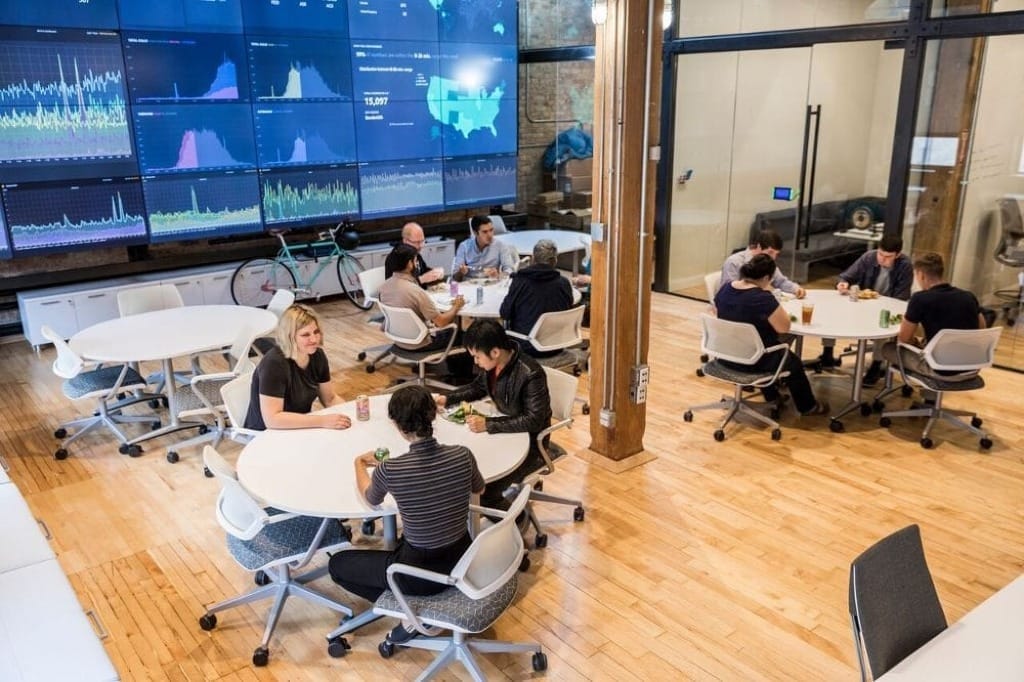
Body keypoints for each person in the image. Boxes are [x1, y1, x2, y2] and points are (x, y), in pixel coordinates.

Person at [328, 385, 484, 644]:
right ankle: (416, 606)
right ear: (433, 415)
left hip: (417, 572)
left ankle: (410, 611)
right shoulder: (463, 455)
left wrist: (359, 463)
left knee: (337, 564)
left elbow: (371, 499)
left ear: (397, 425)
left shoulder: (391, 469)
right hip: (463, 559)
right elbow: (479, 489)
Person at [436, 319, 552, 509]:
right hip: (505, 433)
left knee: (483, 491)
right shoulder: (494, 365)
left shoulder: (530, 373)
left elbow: (534, 420)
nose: (475, 362)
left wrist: (488, 424)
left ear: (495, 352)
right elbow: (477, 388)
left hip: (530, 445)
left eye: (477, 357)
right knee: (463, 477)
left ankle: (515, 521)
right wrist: (447, 399)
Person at [713, 254, 829, 417]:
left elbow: (718, 313)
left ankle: (773, 397)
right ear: (766, 278)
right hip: (752, 359)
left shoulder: (725, 289)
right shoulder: (763, 299)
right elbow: (784, 327)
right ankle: (808, 407)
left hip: (725, 355)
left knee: (767, 350)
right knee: (792, 362)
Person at [879, 251, 986, 383]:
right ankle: (929, 395)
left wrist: (916, 343)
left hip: (940, 370)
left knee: (888, 348)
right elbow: (981, 329)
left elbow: (904, 339)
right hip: (972, 367)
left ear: (921, 275)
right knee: (927, 344)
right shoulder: (968, 296)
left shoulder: (920, 299)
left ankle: (924, 388)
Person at [243, 303, 351, 430]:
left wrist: (350, 412)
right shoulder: (274, 364)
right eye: (305, 335)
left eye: (316, 332)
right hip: (267, 433)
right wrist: (322, 421)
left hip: (300, 425)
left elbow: (330, 399)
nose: (314, 339)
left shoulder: (317, 355)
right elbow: (273, 419)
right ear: (290, 337)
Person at [837, 235, 913, 384]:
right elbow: (846, 276)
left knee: (882, 325)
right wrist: (843, 283)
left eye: (888, 257)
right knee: (833, 308)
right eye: (880, 254)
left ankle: (877, 365)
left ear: (898, 255)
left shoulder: (905, 266)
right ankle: (827, 353)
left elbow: (901, 299)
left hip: (889, 308)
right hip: (864, 305)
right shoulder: (869, 257)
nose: (882, 259)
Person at [378, 244, 466, 352]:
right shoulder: (416, 291)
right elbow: (441, 322)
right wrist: (456, 306)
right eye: (416, 261)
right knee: (464, 335)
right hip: (420, 344)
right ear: (409, 264)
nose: (417, 265)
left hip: (398, 340)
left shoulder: (383, 287)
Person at [500, 238, 575, 354]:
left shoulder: (520, 281)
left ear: (533, 259)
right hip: (557, 345)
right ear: (554, 260)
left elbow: (505, 313)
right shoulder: (564, 283)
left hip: (526, 346)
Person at [719, 230, 807, 299]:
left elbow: (781, 281)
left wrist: (796, 289)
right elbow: (727, 293)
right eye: (770, 252)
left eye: (776, 254)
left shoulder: (768, 262)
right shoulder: (734, 262)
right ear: (759, 246)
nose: (773, 258)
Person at [452, 215, 516, 282]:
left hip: (492, 282)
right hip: (470, 284)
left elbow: (509, 270)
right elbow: (455, 278)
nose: (490, 235)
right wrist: (461, 272)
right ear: (475, 233)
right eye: (485, 232)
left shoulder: (500, 245)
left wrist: (499, 276)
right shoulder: (464, 247)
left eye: (491, 230)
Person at [400, 221, 444, 287]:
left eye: (422, 241)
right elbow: (400, 287)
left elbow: (423, 271)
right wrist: (421, 279)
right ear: (405, 241)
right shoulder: (396, 259)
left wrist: (435, 273)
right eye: (417, 242)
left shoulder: (416, 255)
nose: (420, 246)